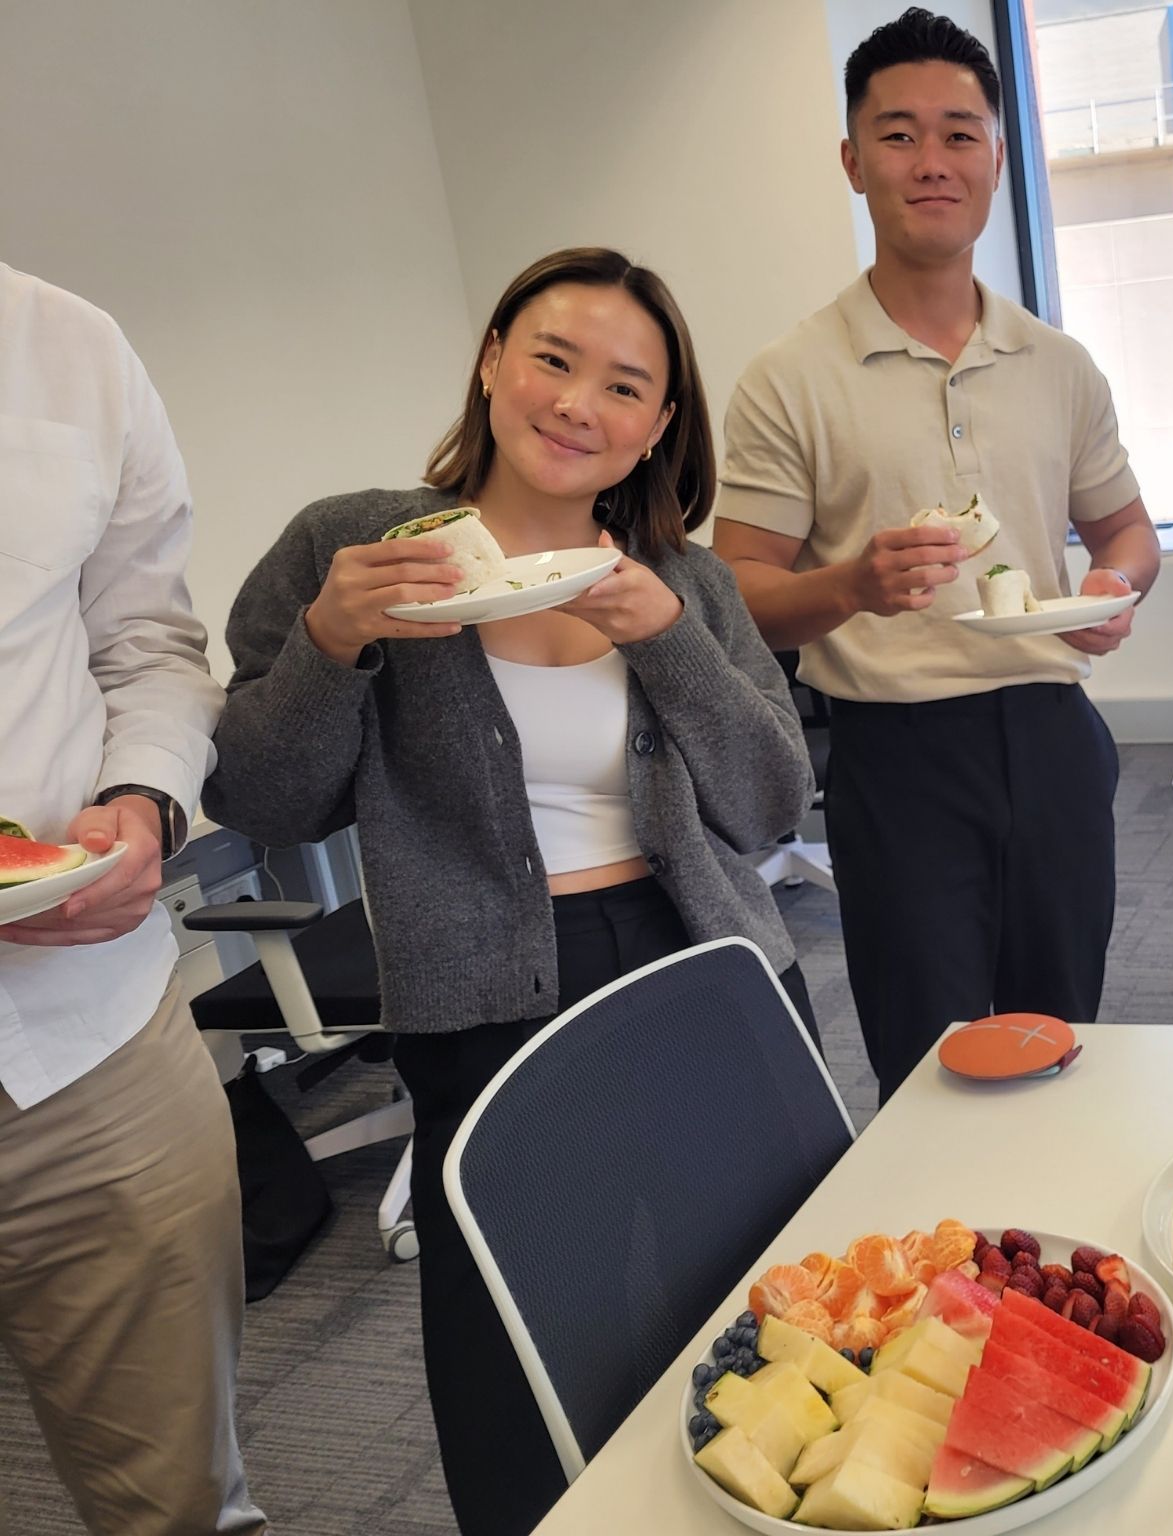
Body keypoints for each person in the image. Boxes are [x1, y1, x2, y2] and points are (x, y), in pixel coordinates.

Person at [204, 248, 816, 1534]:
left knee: (769, 1317)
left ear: (656, 427)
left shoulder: (685, 577)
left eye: (623, 385)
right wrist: (330, 644)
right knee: (518, 1343)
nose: (577, 401)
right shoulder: (352, 544)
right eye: (552, 357)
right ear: (491, 362)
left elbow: (769, 806)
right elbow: (261, 799)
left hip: (703, 964)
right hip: (489, 991)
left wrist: (669, 642)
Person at [714, 8, 1161, 1101]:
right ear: (852, 160)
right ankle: (944, 1259)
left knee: (1060, 1042)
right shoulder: (791, 375)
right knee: (934, 1064)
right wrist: (852, 586)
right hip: (898, 758)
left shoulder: (1057, 364)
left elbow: (1126, 532)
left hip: (1053, 736)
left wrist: (1114, 587)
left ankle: (1047, 1259)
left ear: (996, 158)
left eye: (960, 134)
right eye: (900, 134)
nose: (931, 162)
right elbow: (734, 595)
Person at [0, 264, 267, 1534]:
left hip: (90, 1032)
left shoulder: (71, 346)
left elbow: (148, 641)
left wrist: (146, 798)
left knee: (179, 1504)